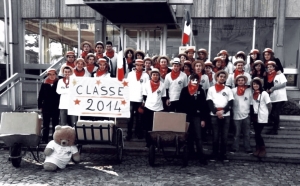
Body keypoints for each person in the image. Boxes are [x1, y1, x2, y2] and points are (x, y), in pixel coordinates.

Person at [178, 73, 208, 165]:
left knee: (198, 137)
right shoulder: (184, 90)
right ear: (190, 80)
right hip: (187, 116)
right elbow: (181, 104)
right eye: (192, 79)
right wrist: (182, 117)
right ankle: (190, 154)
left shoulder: (201, 90)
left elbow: (203, 106)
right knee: (188, 136)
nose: (194, 81)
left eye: (196, 80)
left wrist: (203, 119)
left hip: (197, 116)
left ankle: (201, 156)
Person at [207, 70, 234, 162]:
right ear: (217, 77)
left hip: (226, 115)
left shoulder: (228, 89)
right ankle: (214, 154)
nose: (222, 78)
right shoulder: (211, 89)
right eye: (220, 76)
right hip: (214, 115)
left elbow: (231, 102)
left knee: (224, 136)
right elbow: (210, 102)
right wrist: (216, 112)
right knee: (215, 135)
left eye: (223, 77)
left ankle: (223, 154)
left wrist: (223, 111)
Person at [142, 68, 166, 147]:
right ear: (151, 76)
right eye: (153, 75)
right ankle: (148, 143)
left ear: (159, 76)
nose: (155, 76)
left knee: (157, 127)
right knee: (148, 126)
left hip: (159, 108)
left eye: (157, 75)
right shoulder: (146, 84)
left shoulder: (162, 85)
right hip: (148, 107)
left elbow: (163, 97)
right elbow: (144, 96)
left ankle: (157, 143)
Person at [126, 59, 149, 140]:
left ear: (143, 66)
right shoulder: (130, 74)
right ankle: (129, 134)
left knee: (140, 118)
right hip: (131, 99)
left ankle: (138, 133)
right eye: (137, 65)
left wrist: (144, 100)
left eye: (141, 65)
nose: (139, 67)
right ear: (135, 66)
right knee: (130, 118)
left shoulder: (145, 75)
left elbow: (146, 88)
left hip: (140, 99)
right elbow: (127, 86)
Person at [230, 75, 252, 154]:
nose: (240, 81)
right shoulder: (233, 90)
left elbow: (251, 102)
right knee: (236, 133)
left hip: (246, 115)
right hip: (236, 115)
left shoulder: (249, 90)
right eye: (239, 80)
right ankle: (235, 147)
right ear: (236, 82)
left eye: (242, 80)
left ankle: (247, 148)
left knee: (246, 133)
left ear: (245, 81)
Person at [250, 77, 272, 158]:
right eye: (254, 84)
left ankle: (262, 149)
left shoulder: (264, 93)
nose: (255, 85)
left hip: (262, 116)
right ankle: (258, 148)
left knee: (258, 133)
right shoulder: (253, 94)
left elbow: (269, 105)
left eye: (257, 84)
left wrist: (268, 115)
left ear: (260, 85)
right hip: (256, 116)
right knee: (256, 134)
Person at [265, 61, 287, 135]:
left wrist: (273, 88)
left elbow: (284, 84)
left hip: (280, 97)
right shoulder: (269, 76)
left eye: (271, 66)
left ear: (274, 67)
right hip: (273, 98)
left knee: (275, 113)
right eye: (268, 67)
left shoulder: (280, 75)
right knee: (271, 113)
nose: (269, 68)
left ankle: (275, 129)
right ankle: (274, 125)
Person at [38, 69, 60, 143]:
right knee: (45, 124)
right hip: (46, 106)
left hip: (55, 106)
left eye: (53, 74)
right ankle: (44, 139)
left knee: (55, 123)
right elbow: (40, 95)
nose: (52, 76)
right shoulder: (44, 83)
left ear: (56, 75)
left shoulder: (59, 82)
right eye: (50, 74)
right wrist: (40, 105)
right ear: (47, 75)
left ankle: (55, 139)